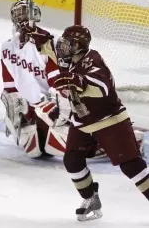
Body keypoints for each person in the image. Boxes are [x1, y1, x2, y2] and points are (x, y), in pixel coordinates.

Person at [53, 25, 149, 221]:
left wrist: (79, 81)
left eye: (68, 43)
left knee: (131, 166)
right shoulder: (70, 60)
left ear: (79, 45)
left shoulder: (92, 59)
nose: (63, 47)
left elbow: (104, 88)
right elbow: (46, 45)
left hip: (109, 120)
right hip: (83, 121)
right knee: (72, 161)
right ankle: (91, 199)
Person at [0, 0, 70, 158]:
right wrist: (17, 114)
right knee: (35, 146)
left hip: (50, 107)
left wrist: (57, 106)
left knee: (49, 128)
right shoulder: (7, 47)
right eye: (20, 15)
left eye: (27, 14)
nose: (23, 19)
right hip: (27, 110)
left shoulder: (48, 42)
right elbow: (9, 87)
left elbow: (58, 82)